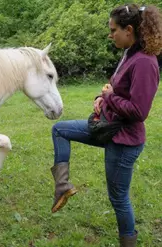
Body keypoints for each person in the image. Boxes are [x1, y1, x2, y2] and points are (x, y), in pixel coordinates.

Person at [49, 4, 162, 247]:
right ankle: (62, 187)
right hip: (106, 127)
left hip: (124, 141)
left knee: (118, 198)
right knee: (59, 130)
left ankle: (128, 243)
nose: (110, 35)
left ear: (129, 29)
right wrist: (101, 98)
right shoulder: (129, 53)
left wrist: (110, 96)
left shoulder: (144, 62)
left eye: (113, 30)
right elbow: (113, 86)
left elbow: (139, 112)